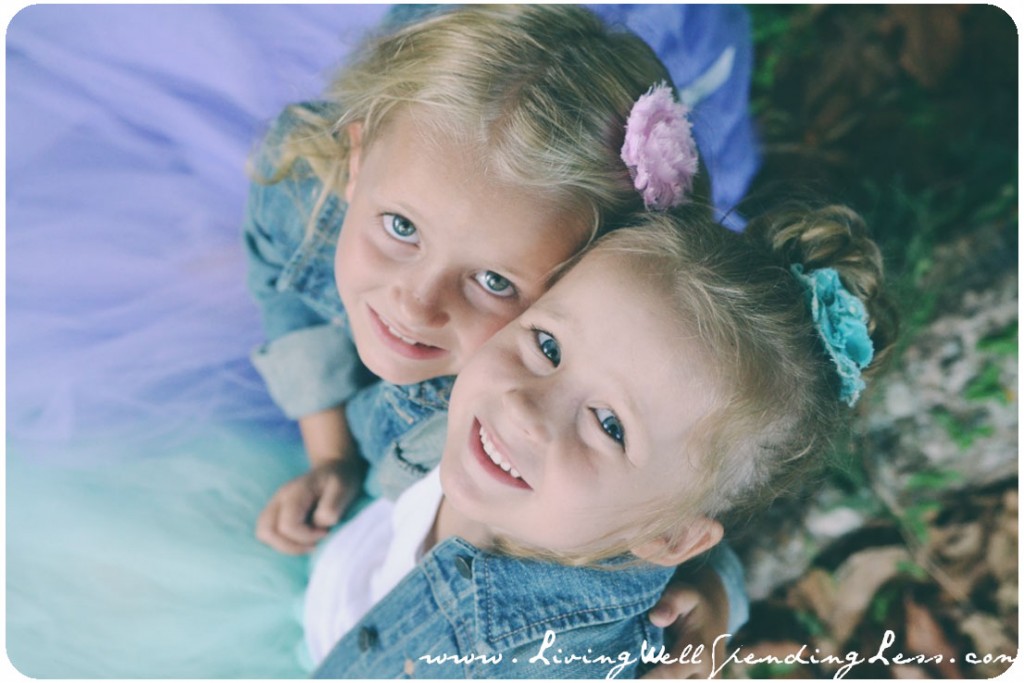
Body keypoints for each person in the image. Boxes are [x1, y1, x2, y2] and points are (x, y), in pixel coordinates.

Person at [243, 4, 749, 668]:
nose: (416, 305)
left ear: (588, 288)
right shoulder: (310, 192)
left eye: (492, 279)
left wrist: (715, 590)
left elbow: (668, 488)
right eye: (399, 228)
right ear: (359, 161)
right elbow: (285, 282)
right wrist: (329, 451)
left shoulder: (526, 412)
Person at [306, 201, 898, 677]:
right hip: (333, 586)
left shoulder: (568, 661)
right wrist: (328, 450)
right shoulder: (444, 388)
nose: (526, 409)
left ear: (665, 537)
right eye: (547, 346)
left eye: (609, 425)